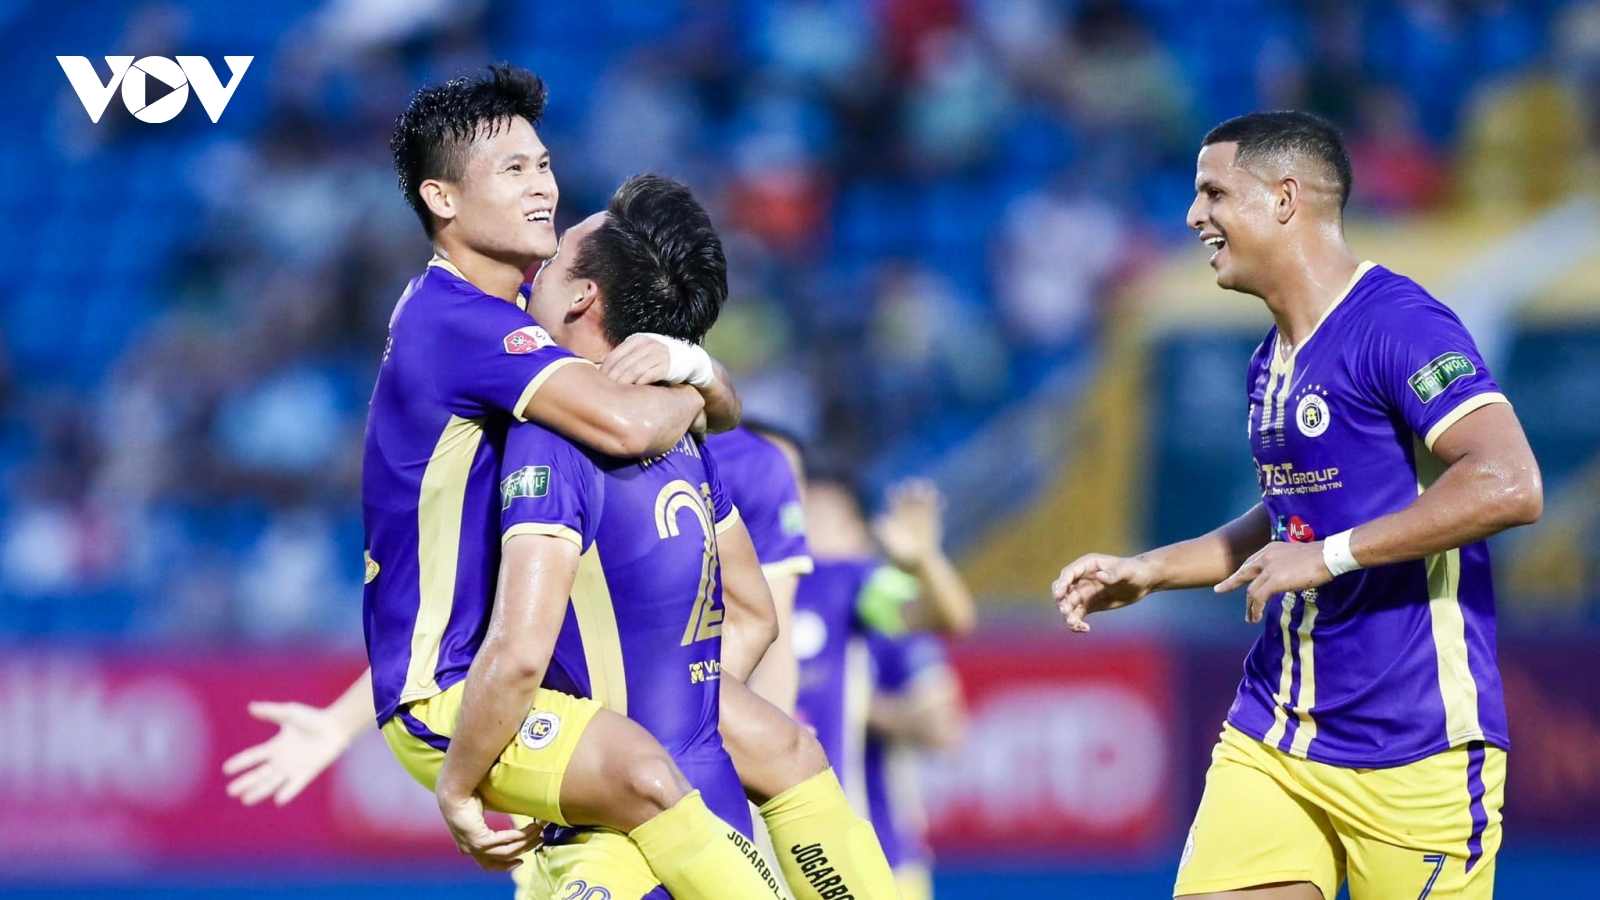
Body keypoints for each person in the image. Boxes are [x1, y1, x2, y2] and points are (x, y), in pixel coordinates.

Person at [1051, 111, 1543, 900]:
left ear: (1285, 199)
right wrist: (1150, 571)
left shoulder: (1399, 324)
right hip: (1276, 732)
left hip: (1416, 745)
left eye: (1214, 193)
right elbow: (1288, 519)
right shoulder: (1269, 361)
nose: (1193, 216)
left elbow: (1510, 482)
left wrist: (1329, 556)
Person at [793, 476, 975, 811]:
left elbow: (952, 618)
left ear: (859, 534)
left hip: (870, 829)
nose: (808, 532)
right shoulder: (760, 589)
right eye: (803, 514)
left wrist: (924, 561)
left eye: (823, 520)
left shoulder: (858, 590)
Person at [861, 632, 964, 900]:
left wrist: (851, 705)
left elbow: (944, 729)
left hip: (890, 854)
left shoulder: (892, 632)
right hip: (796, 840)